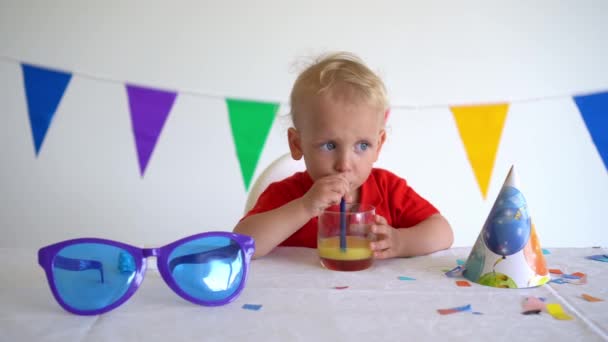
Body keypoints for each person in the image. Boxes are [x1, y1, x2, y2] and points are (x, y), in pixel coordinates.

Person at [234, 52, 453, 259]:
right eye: (329, 145)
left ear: (379, 145)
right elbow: (241, 243)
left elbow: (443, 232)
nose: (344, 164)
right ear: (297, 144)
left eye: (362, 146)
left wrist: (401, 242)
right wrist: (304, 207)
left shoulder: (389, 190)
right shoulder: (287, 195)